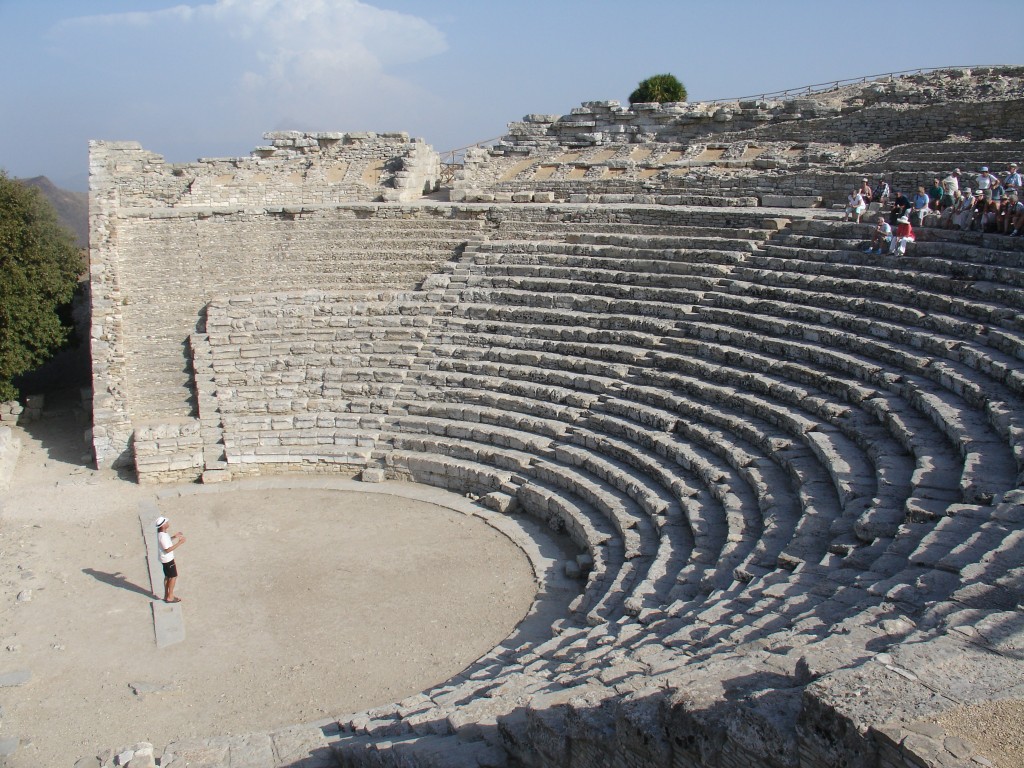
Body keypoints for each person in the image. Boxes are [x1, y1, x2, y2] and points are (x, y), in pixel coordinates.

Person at [156, 516, 186, 603]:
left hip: (164, 559)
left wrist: (174, 537)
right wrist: (180, 543)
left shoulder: (162, 534)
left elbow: (166, 541)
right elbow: (168, 549)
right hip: (168, 559)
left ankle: (166, 595)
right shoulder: (163, 536)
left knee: (167, 576)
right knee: (173, 576)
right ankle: (170, 596)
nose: (168, 523)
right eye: (166, 522)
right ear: (163, 525)